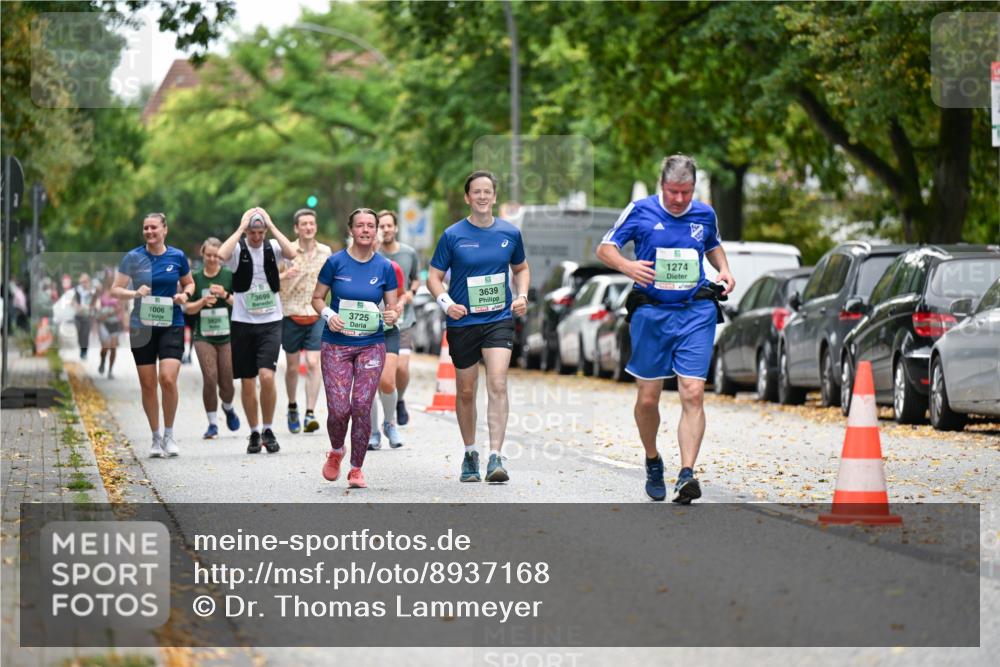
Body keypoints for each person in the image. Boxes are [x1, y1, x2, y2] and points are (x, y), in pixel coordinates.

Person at [596, 154, 735, 504]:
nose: (679, 199)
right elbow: (605, 248)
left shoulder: (704, 213)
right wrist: (628, 267)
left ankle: (687, 474)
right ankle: (653, 459)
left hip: (695, 311)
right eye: (673, 192)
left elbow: (713, 244)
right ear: (662, 186)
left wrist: (725, 270)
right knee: (647, 399)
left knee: (692, 392)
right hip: (652, 313)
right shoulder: (640, 210)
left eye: (686, 192)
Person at [427, 171, 530, 484]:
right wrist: (447, 303)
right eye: (477, 192)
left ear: (494, 197)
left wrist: (522, 294)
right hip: (463, 321)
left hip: (498, 319)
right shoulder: (453, 235)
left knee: (497, 384)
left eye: (488, 192)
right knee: (467, 390)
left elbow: (521, 268)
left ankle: (495, 456)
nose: (483, 196)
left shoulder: (509, 233)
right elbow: (433, 277)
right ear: (467, 197)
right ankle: (470, 452)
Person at [312, 208, 399, 488]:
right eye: (360, 225)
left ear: (376, 231)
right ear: (350, 230)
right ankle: (337, 450)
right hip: (336, 343)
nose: (365, 230)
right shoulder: (335, 263)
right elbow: (317, 299)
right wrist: (329, 315)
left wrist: (391, 315)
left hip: (371, 344)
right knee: (338, 409)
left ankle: (356, 468)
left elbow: (392, 307)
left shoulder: (385, 267)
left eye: (370, 226)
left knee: (361, 404)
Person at [110, 212, 194, 458]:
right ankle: (156, 437)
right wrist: (135, 293)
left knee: (167, 379)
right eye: (145, 228)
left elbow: (189, 283)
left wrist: (185, 295)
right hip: (142, 326)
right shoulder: (133, 257)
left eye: (153, 227)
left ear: (164, 230)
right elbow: (115, 289)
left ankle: (169, 434)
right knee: (148, 384)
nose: (149, 232)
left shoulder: (177, 256)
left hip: (172, 323)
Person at [218, 207, 298, 455]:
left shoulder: (272, 247)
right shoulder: (238, 249)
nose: (256, 236)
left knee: (267, 376)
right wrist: (240, 228)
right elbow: (221, 255)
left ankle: (268, 428)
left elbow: (293, 252)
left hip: (271, 321)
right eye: (252, 232)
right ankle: (254, 432)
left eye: (259, 232)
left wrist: (272, 225)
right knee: (248, 381)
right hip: (242, 321)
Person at [278, 208, 332, 434]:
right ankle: (292, 407)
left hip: (316, 314)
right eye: (304, 224)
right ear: (296, 228)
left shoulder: (326, 252)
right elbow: (273, 283)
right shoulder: (286, 252)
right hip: (290, 314)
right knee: (291, 367)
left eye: (311, 223)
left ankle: (310, 412)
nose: (308, 227)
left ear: (316, 226)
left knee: (312, 363)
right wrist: (284, 276)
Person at [187, 237, 241, 439]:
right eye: (208, 255)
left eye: (216, 255)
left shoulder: (229, 275)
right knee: (210, 378)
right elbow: (187, 309)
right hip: (204, 336)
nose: (212, 259)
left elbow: (241, 305)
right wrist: (201, 302)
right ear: (202, 255)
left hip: (227, 335)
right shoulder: (196, 277)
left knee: (227, 381)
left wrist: (225, 295)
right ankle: (212, 424)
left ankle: (227, 407)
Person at [376, 210, 421, 426]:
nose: (385, 230)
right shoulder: (372, 254)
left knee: (402, 367)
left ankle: (399, 399)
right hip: (377, 321)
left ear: (396, 228)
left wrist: (411, 292)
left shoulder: (409, 253)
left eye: (388, 226)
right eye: (381, 226)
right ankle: (386, 410)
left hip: (404, 319)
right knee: (383, 371)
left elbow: (415, 279)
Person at [368, 230, 406, 450]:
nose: (370, 241)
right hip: (363, 333)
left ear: (379, 241)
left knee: (387, 381)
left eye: (374, 238)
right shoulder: (346, 265)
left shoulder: (391, 267)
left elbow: (400, 293)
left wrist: (398, 307)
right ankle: (372, 431)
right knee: (369, 385)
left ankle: (389, 423)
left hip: (388, 329)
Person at [95, 272, 125, 378]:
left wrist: (109, 314)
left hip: (115, 322)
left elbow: (120, 307)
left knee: (113, 348)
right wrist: (98, 315)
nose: (111, 280)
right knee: (105, 348)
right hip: (103, 323)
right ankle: (103, 361)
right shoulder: (101, 291)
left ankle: (110, 370)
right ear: (106, 280)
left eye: (113, 278)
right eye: (109, 278)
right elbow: (96, 305)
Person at [72, 273, 96, 359]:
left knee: (85, 334)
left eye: (85, 281)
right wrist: (77, 306)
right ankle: (81, 348)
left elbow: (95, 303)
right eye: (82, 282)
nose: (83, 283)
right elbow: (72, 301)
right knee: (79, 333)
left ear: (88, 282)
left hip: (87, 316)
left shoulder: (92, 291)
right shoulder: (76, 290)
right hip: (78, 315)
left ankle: (84, 352)